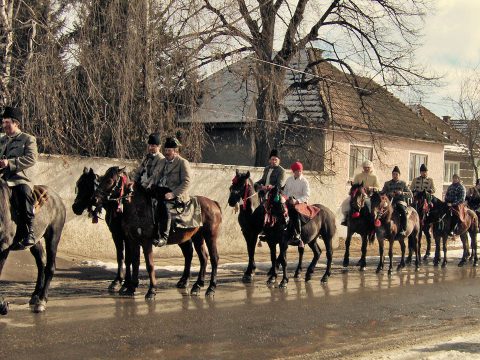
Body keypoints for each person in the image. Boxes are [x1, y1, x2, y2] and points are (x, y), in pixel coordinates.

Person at [0, 106, 38, 248]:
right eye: (3, 122)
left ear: (16, 123)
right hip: (2, 178)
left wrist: (9, 163)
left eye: (7, 122)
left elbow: (31, 158)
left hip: (18, 178)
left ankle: (30, 231)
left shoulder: (28, 139)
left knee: (24, 193)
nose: (4, 125)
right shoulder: (2, 140)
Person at [148, 137, 191, 247]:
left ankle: (164, 237)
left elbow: (186, 182)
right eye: (165, 150)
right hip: (161, 190)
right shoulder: (162, 161)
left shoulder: (182, 163)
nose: (166, 153)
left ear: (175, 151)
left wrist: (173, 194)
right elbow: (155, 176)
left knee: (165, 206)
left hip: (175, 194)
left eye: (169, 150)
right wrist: (149, 185)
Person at [340, 160, 380, 226]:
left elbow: (377, 187)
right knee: (346, 202)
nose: (366, 168)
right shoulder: (358, 176)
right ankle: (346, 218)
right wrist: (358, 189)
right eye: (365, 167)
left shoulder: (374, 177)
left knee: (368, 205)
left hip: (370, 195)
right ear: (363, 167)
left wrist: (371, 188)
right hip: (359, 194)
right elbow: (354, 185)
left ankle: (372, 220)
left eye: (368, 167)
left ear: (371, 168)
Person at [283, 161, 310, 244]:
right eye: (297, 171)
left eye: (300, 171)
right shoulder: (289, 179)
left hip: (300, 203)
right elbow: (285, 191)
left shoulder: (304, 181)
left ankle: (298, 233)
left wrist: (297, 201)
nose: (299, 172)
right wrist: (285, 198)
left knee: (294, 212)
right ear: (293, 171)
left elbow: (307, 195)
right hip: (288, 201)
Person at [381, 166, 412, 236]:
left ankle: (403, 229)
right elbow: (382, 193)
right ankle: (380, 229)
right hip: (389, 202)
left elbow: (410, 194)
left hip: (400, 202)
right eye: (393, 174)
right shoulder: (387, 183)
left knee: (403, 212)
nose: (395, 176)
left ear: (399, 175)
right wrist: (389, 193)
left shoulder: (403, 184)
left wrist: (402, 193)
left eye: (396, 174)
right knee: (380, 212)